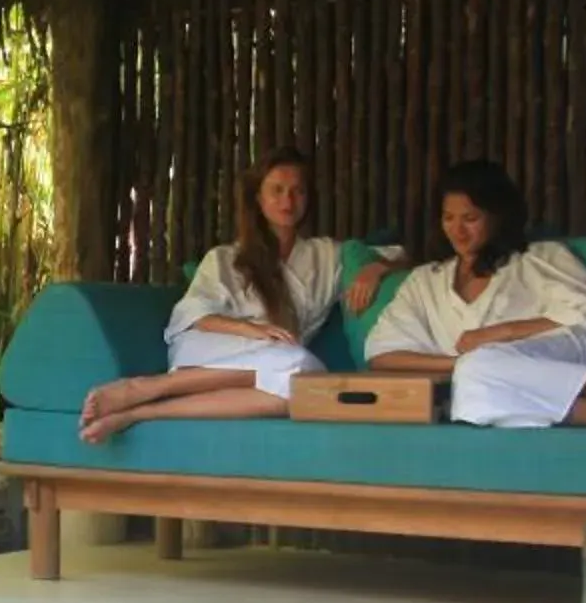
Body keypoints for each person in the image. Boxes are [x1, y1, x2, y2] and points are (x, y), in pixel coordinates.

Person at [78, 149, 400, 444]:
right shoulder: (225, 258)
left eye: (297, 190)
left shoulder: (325, 255)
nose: (288, 199)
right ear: (258, 198)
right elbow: (193, 316)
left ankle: (138, 412)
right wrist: (254, 331)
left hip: (275, 366)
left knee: (307, 383)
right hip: (207, 350)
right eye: (277, 190)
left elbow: (400, 254)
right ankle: (150, 387)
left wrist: (375, 270)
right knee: (301, 365)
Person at [363, 160, 586, 428]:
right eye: (448, 218)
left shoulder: (538, 259)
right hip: (486, 385)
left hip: (563, 355)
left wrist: (503, 333)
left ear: (498, 217)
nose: (457, 229)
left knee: (481, 383)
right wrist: (467, 364)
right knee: (481, 393)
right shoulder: (425, 281)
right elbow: (384, 356)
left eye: (470, 218)